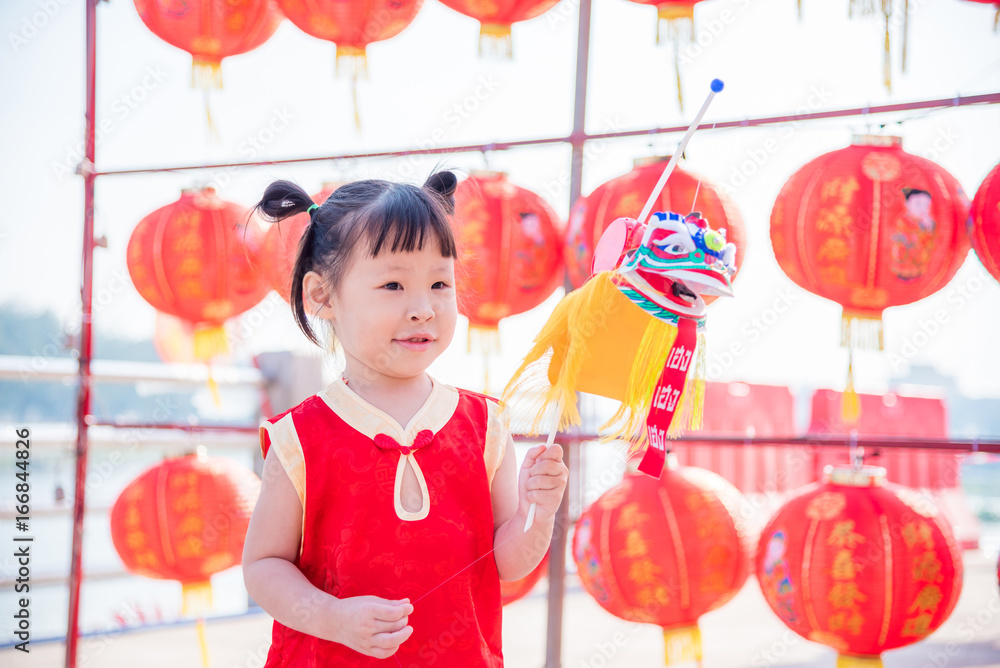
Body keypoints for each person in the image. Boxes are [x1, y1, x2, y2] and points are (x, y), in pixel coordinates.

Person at [242, 171, 568, 667]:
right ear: (322, 297)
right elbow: (264, 566)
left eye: (440, 283)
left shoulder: (485, 423)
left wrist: (536, 513)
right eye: (392, 284)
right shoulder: (301, 436)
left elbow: (506, 562)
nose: (423, 308)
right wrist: (333, 617)